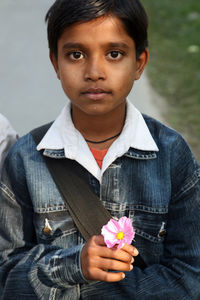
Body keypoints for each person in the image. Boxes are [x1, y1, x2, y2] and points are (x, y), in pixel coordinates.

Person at [0, 0, 200, 299]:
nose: (94, 71)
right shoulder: (25, 160)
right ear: (56, 63)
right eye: (76, 54)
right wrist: (74, 265)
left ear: (139, 63)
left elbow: (190, 275)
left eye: (114, 54)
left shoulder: (173, 155)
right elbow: (6, 276)